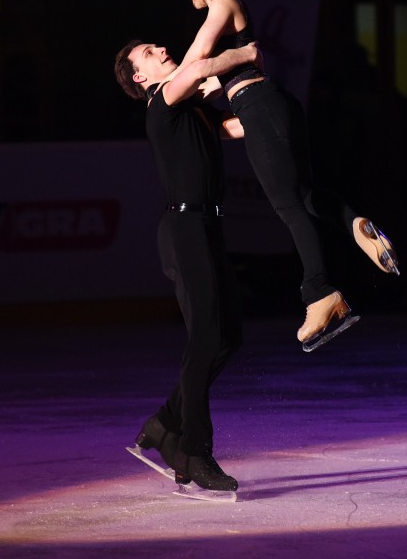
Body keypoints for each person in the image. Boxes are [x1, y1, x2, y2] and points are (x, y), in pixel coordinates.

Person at [157, 0, 399, 351]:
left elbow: (198, 58)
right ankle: (355, 223)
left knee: (288, 207)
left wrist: (167, 92)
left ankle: (320, 293)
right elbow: (219, 80)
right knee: (303, 197)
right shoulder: (232, 20)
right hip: (268, 106)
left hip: (260, 107)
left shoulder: (223, 3)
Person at [113, 39, 260, 492]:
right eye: (148, 52)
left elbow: (234, 128)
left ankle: (164, 423)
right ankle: (194, 451)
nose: (160, 47)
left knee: (228, 337)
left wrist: (270, 110)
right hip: (184, 229)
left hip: (207, 228)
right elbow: (200, 71)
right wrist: (244, 53)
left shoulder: (190, 107)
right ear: (141, 77)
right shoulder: (163, 100)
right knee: (205, 339)